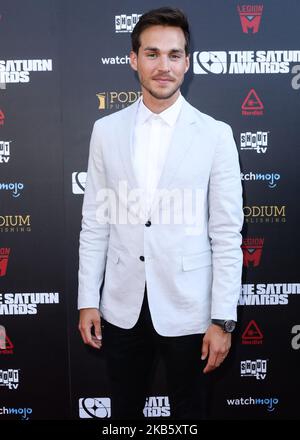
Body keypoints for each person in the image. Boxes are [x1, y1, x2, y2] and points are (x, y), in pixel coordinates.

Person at [78, 7, 243, 420]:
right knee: (124, 415)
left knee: (191, 414)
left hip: (190, 309)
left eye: (174, 55)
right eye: (152, 54)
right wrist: (87, 301)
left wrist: (223, 320)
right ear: (133, 60)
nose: (163, 66)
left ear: (187, 62)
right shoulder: (106, 130)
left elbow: (226, 234)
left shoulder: (215, 135)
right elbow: (96, 221)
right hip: (121, 306)